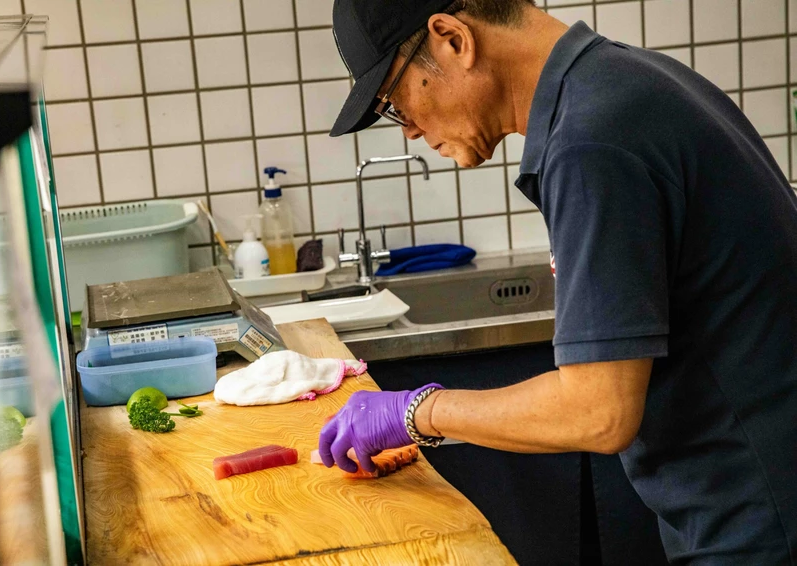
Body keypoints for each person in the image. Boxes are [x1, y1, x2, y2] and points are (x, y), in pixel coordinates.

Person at [318, 0, 797, 563]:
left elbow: (598, 413)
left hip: (759, 526)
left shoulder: (591, 142)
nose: (411, 131)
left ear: (452, 39)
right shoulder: (631, 78)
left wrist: (416, 413)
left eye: (395, 103)